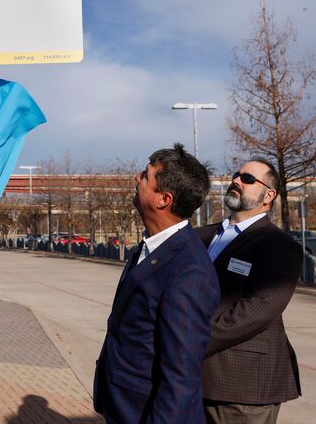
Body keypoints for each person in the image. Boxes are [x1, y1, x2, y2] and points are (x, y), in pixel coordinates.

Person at [93, 143, 220, 424]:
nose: (137, 178)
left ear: (163, 199)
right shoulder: (151, 247)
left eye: (145, 175)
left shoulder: (189, 272)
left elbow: (180, 375)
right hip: (124, 406)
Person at [196, 159, 302, 424]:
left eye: (248, 179)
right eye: (236, 175)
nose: (236, 181)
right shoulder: (199, 237)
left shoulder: (278, 244)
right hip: (191, 381)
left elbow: (260, 308)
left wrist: (190, 340)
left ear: (268, 195)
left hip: (242, 387)